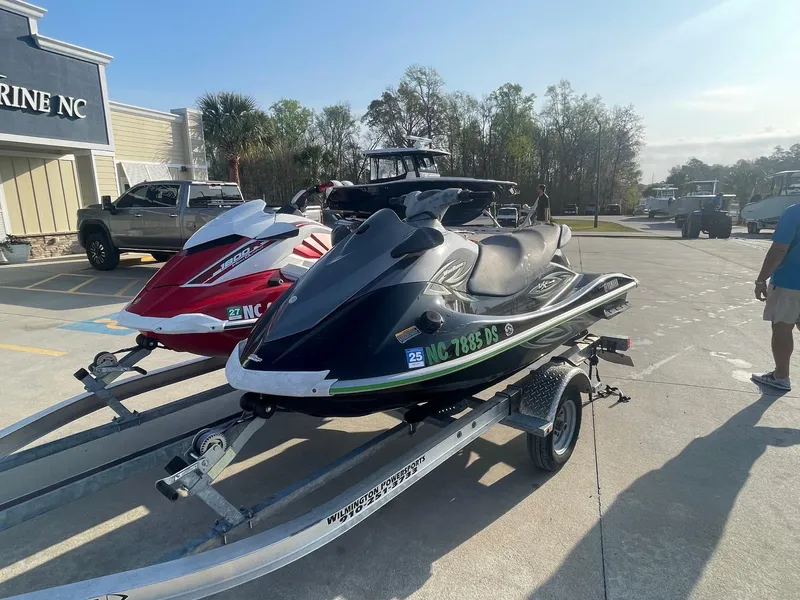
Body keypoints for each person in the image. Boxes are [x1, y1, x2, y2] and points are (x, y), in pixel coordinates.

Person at [752, 202, 800, 390]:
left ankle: (781, 376)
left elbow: (779, 249)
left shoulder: (794, 212)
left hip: (790, 282)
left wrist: (761, 279)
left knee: (782, 327)